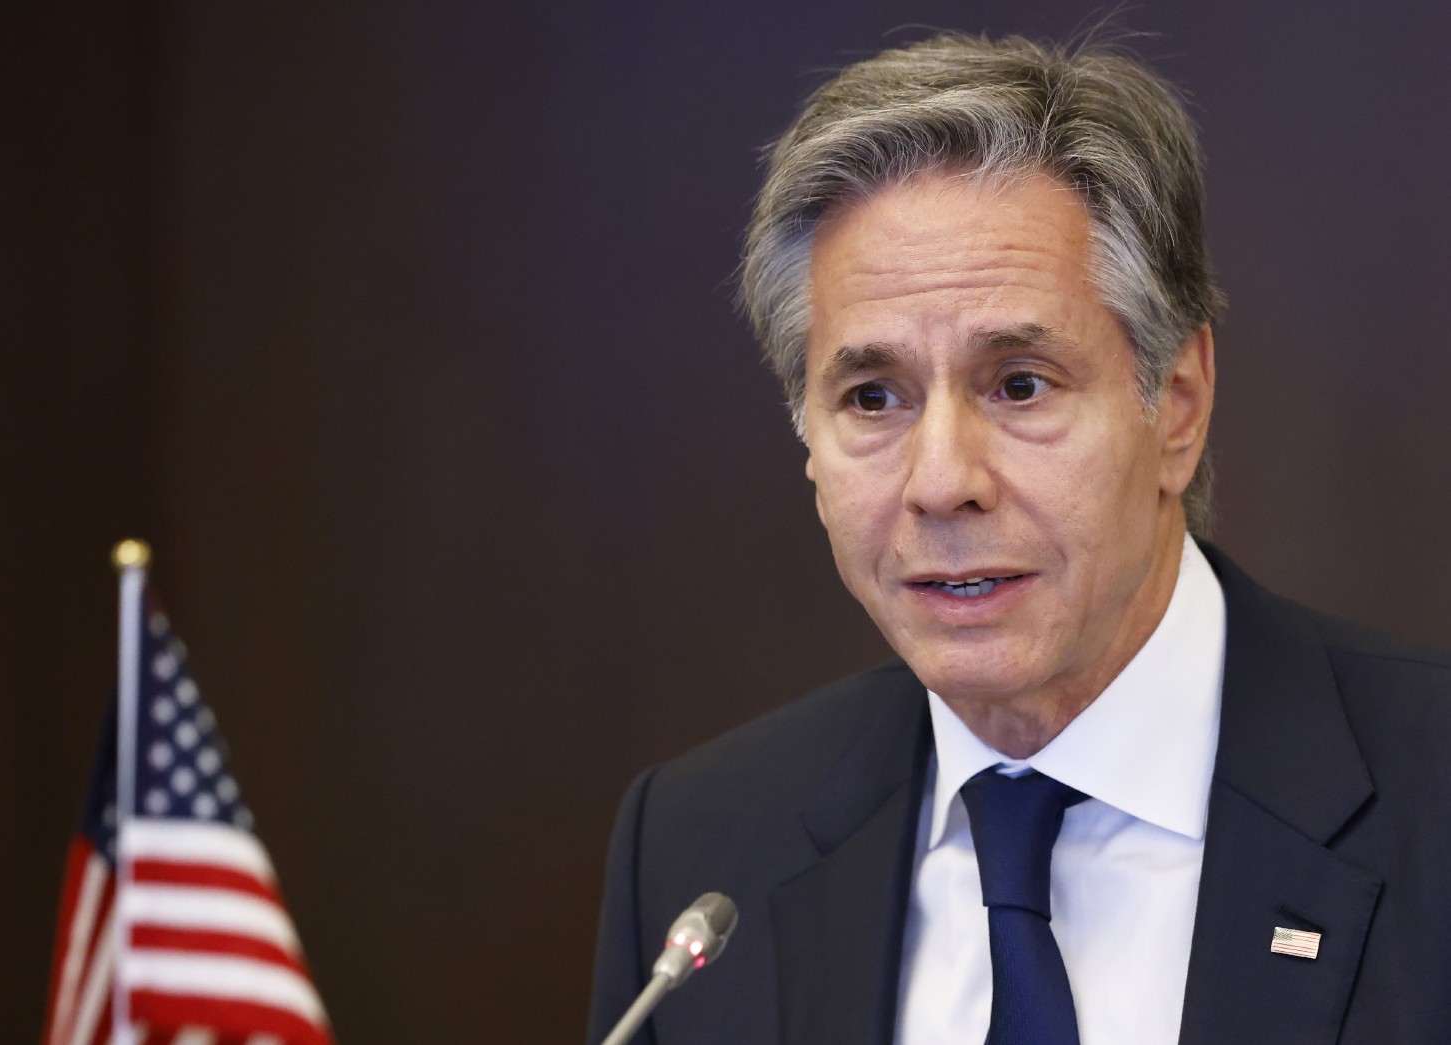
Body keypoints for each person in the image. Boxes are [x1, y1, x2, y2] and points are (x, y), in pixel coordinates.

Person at [586, 32, 1451, 1045]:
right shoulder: (698, 849)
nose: (942, 483)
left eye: (1020, 384)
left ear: (1177, 404)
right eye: (873, 397)